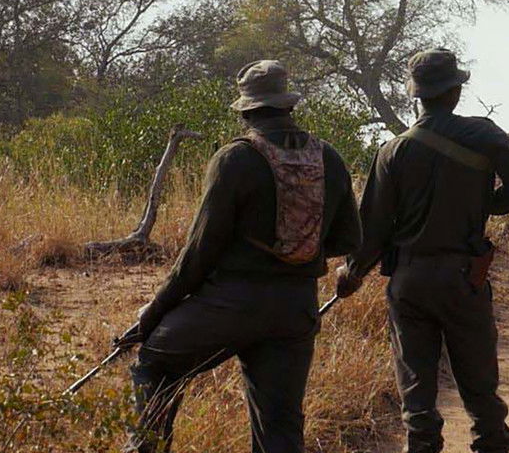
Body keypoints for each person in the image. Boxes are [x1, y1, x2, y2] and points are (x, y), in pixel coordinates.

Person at [117, 60, 362, 453]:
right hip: (295, 309)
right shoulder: (329, 158)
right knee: (280, 425)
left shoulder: (235, 158)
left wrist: (155, 311)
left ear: (247, 110)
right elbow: (347, 237)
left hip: (228, 304)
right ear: (288, 105)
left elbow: (198, 253)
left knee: (155, 364)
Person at [335, 48, 509, 453]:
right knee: (478, 377)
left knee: (416, 384)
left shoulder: (392, 151)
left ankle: (422, 443)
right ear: (456, 92)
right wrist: (483, 204)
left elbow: (373, 229)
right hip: (464, 277)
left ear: (417, 95)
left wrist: (353, 272)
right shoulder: (483, 135)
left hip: (409, 281)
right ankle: (490, 438)